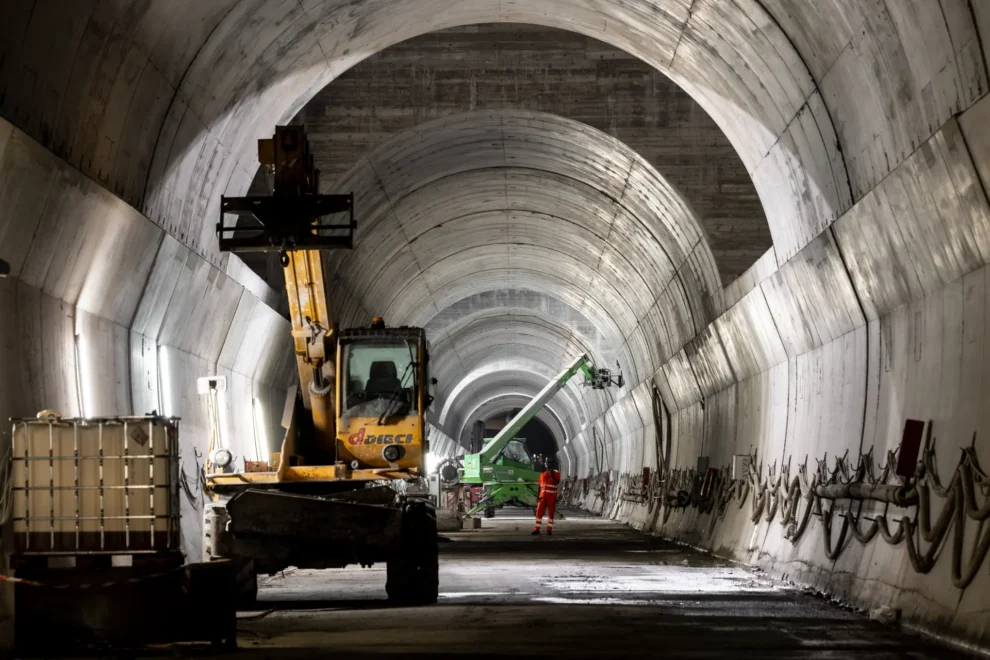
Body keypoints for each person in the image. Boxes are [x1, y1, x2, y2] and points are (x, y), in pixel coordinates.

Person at [532, 461, 561, 535]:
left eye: (550, 466)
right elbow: (539, 486)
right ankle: (536, 529)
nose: (549, 467)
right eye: (548, 465)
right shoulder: (542, 474)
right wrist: (538, 496)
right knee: (538, 513)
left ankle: (549, 529)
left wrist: (552, 476)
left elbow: (556, 483)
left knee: (551, 513)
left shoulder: (557, 474)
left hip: (551, 498)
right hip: (542, 497)